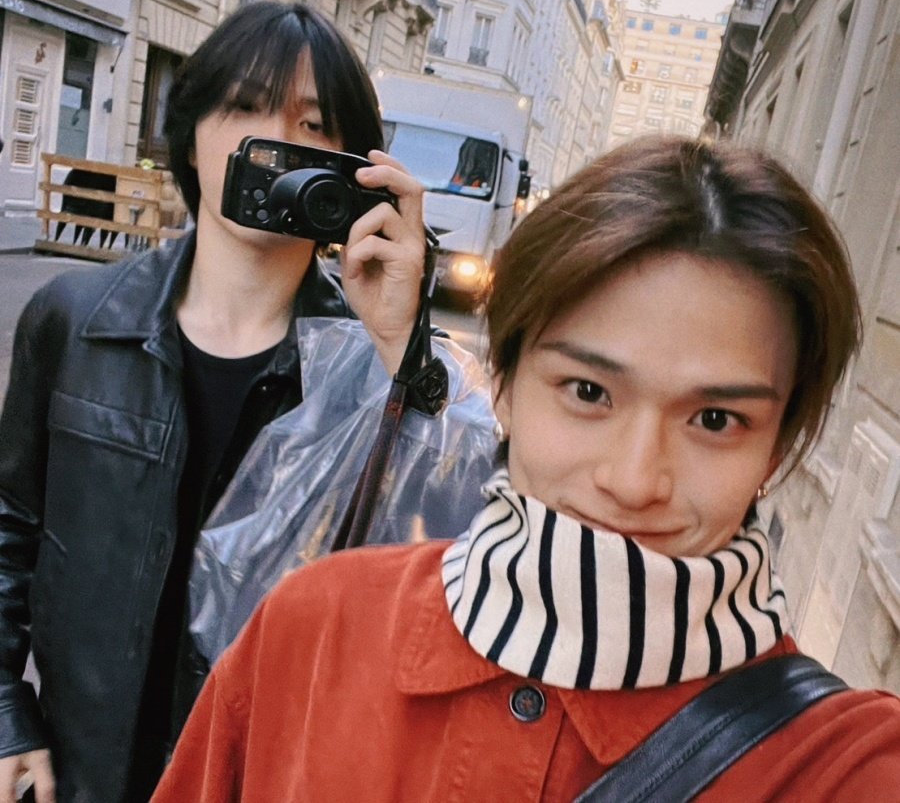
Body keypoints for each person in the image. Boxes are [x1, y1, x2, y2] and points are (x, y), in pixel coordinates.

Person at [152, 135, 900, 801]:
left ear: (777, 447)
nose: (634, 480)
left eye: (714, 420)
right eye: (588, 392)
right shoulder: (315, 629)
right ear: (504, 385)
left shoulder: (840, 764)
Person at [0, 1, 488, 803]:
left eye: (312, 122)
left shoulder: (373, 361)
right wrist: (7, 714)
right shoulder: (74, 319)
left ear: (354, 166)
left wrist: (402, 347)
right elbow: (10, 527)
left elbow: (455, 556)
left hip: (265, 778)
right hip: (80, 775)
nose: (274, 140)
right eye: (244, 106)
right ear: (192, 133)